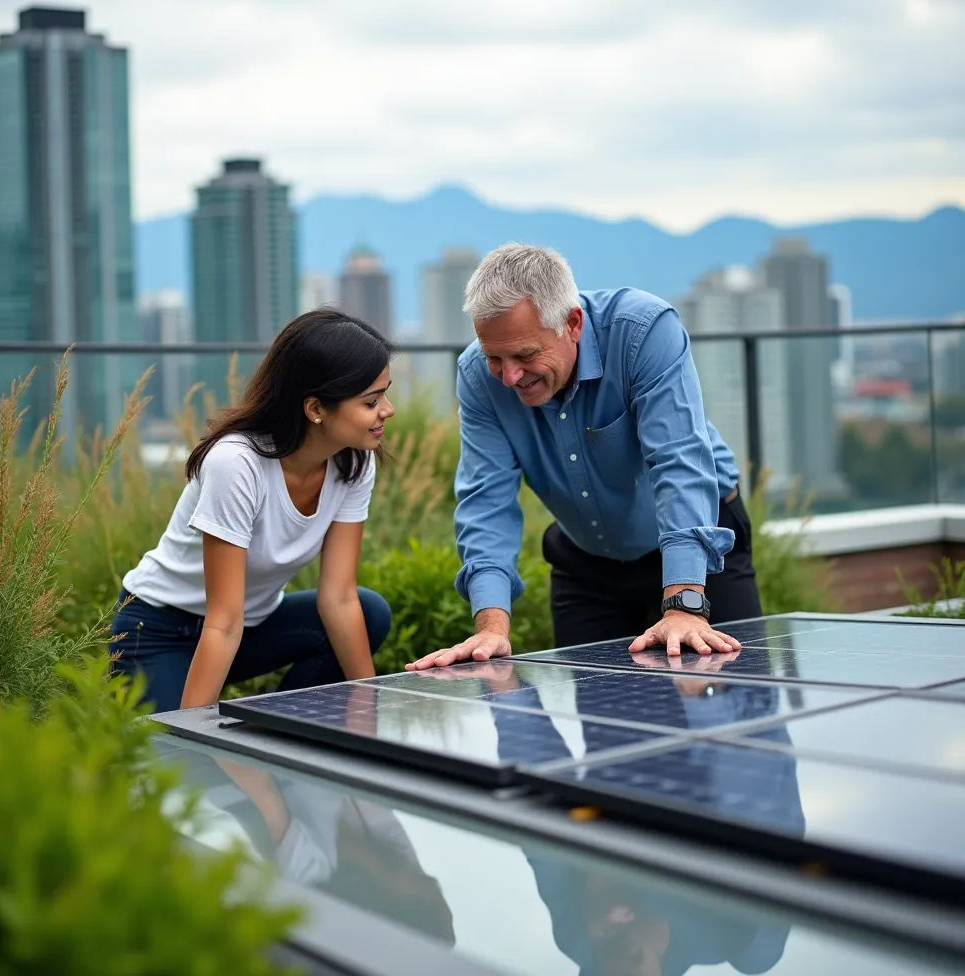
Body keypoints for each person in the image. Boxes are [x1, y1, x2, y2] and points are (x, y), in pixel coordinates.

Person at [407, 244, 759, 672]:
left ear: (572, 323)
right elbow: (486, 501)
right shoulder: (478, 377)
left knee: (729, 705)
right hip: (586, 564)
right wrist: (491, 627)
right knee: (607, 726)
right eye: (494, 357)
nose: (510, 376)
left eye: (524, 355)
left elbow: (679, 462)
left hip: (702, 548)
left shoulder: (643, 330)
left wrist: (685, 605)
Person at [110, 308, 395, 713]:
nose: (388, 409)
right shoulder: (235, 463)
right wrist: (197, 736)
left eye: (384, 393)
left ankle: (285, 734)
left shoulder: (353, 461)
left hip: (249, 629)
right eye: (371, 401)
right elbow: (222, 621)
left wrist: (367, 707)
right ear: (315, 409)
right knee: (178, 763)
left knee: (368, 612)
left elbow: (339, 598)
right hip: (159, 631)